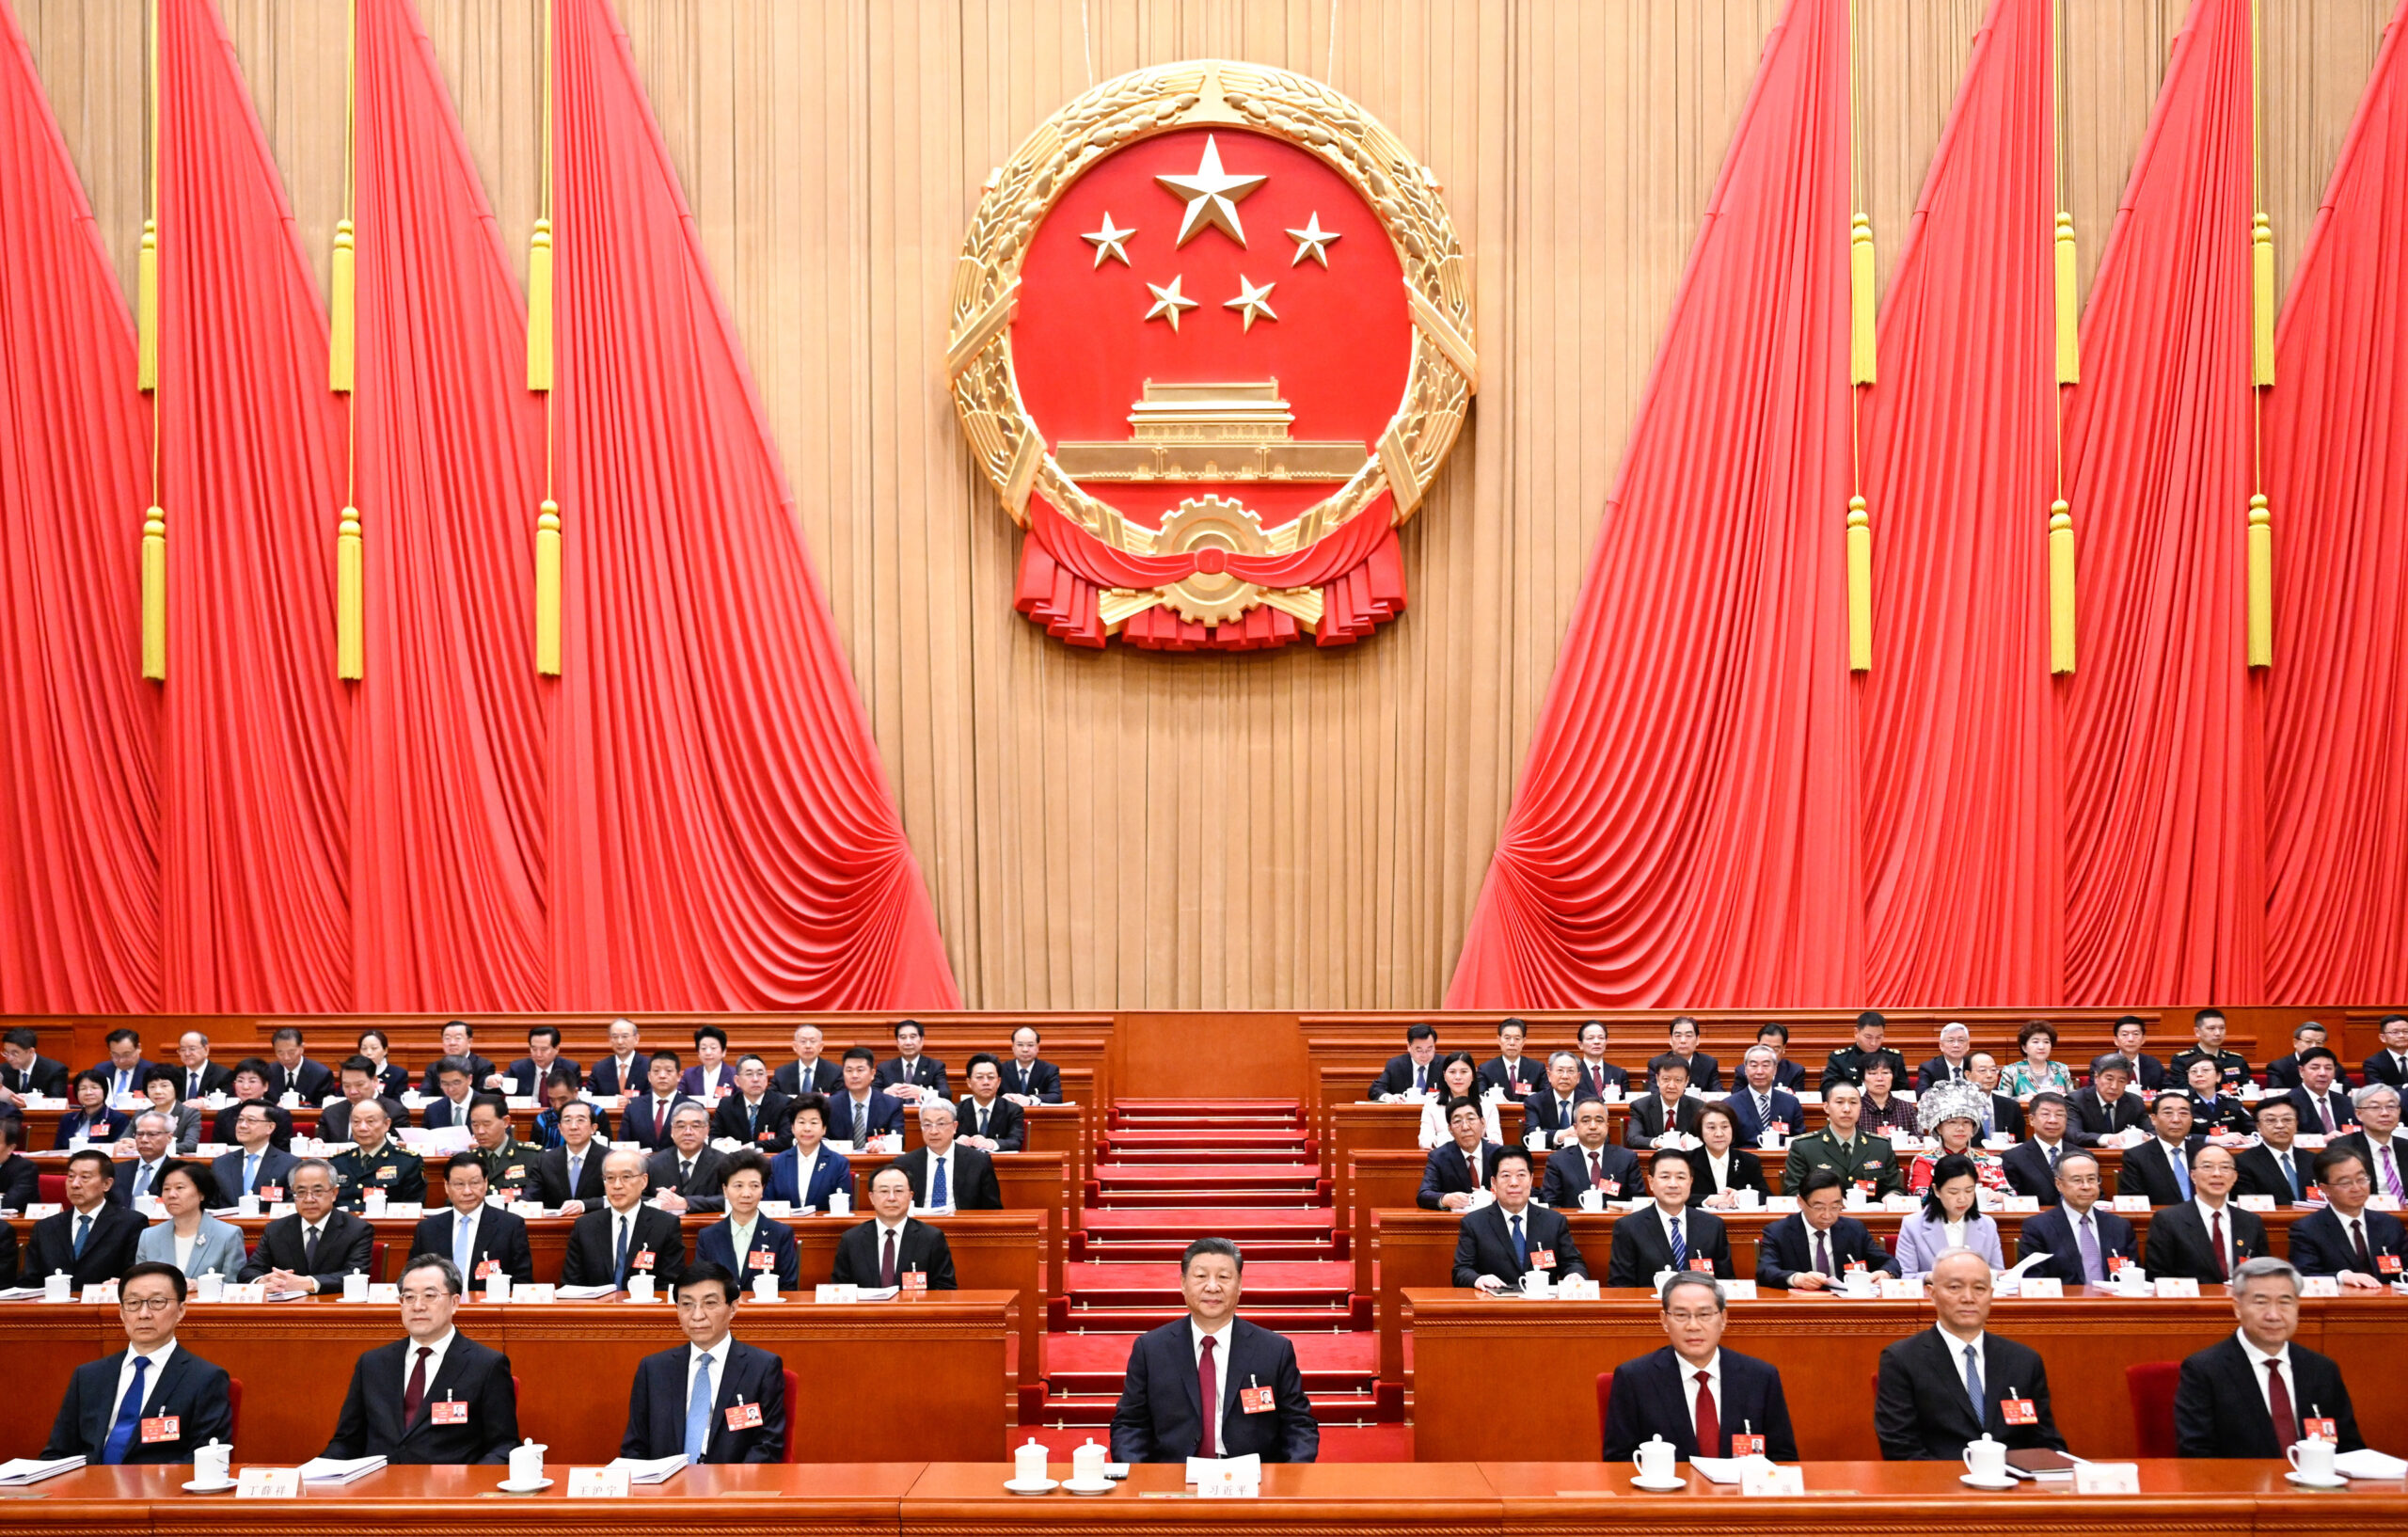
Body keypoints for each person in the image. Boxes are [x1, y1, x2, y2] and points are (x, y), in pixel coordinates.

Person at [1108, 1236, 1318, 1464]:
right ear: (1182, 1282)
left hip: (1253, 1482)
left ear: (1239, 1285)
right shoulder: (1151, 1349)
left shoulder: (1274, 1350)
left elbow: (1298, 1425)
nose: (1212, 1287)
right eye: (1200, 1276)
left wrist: (1288, 1480)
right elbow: (1130, 1424)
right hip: (1174, 1480)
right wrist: (1141, 1477)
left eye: (1224, 1277)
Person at [323, 1254, 519, 1463]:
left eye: (429, 1296)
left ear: (454, 1302)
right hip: (379, 1488)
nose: (418, 1306)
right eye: (408, 1297)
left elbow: (504, 1446)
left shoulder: (486, 1365)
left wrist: (468, 1487)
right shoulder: (372, 1363)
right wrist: (311, 1476)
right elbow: (346, 1442)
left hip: (449, 1490)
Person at [1874, 1249, 2063, 1460]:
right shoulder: (1902, 1359)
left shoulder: (2024, 1360)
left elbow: (2046, 1442)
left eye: (1979, 1288)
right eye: (1955, 1287)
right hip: (1939, 1485)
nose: (1968, 1298)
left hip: (2014, 1485)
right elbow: (1901, 1449)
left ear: (1991, 1295)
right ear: (1932, 1294)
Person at [40, 1260, 232, 1464]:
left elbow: (204, 1459)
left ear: (181, 1311)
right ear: (122, 1313)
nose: (144, 1314)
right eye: (133, 1303)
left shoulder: (205, 1378)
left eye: (157, 1302)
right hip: (90, 1489)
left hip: (158, 1491)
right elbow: (56, 1454)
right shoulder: (89, 1376)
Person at [2177, 1257, 2368, 1458]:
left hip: (2319, 1486)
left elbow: (2349, 1448)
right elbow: (2197, 1454)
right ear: (2237, 1308)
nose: (2274, 1315)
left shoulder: (2321, 1369)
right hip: (2241, 1486)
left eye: (2285, 1302)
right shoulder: (2204, 1370)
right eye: (2261, 1303)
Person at [1600, 1272, 1798, 1462]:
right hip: (1667, 1494)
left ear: (1723, 1319)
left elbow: (1783, 1458)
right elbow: (1619, 1461)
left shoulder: (1761, 1377)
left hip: (1739, 1494)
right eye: (1681, 1315)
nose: (1693, 1326)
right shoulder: (1634, 1379)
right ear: (1664, 1321)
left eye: (1704, 1314)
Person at [620, 1260, 787, 1463]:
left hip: (733, 1488)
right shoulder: (654, 1369)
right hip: (667, 1488)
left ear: (733, 1308)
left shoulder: (762, 1368)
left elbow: (767, 1446)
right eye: (687, 1304)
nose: (697, 1316)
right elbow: (635, 1447)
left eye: (710, 1303)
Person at [1450, 1147, 1586, 1291]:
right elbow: (1461, 1271)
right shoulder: (1474, 1223)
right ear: (1494, 1183)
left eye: (1521, 1175)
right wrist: (1478, 1278)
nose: (1514, 1182)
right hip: (1496, 1306)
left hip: (1543, 1306)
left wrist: (1575, 1274)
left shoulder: (1554, 1221)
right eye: (1506, 1175)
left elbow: (1572, 1262)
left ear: (1531, 1179)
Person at [238, 1159, 373, 1292]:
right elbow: (249, 1271)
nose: (309, 1199)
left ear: (334, 1193)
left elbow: (355, 1274)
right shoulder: (276, 1229)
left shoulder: (357, 1229)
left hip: (334, 1308)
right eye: (301, 1192)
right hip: (286, 1310)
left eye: (318, 1191)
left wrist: (308, 1283)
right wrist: (262, 1281)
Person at [2140, 1143, 2267, 1283]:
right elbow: (2158, 1275)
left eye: (2225, 1167)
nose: (2217, 1174)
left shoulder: (2251, 1221)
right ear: (2193, 1176)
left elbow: (2263, 1272)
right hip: (2191, 1303)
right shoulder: (2168, 1220)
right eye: (2207, 1167)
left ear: (2235, 1177)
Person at [562, 1149, 688, 1290]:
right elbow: (572, 1285)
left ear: (643, 1181)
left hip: (645, 1308)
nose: (617, 1185)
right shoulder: (585, 1226)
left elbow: (670, 1285)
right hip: (598, 1310)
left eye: (626, 1177)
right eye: (609, 1178)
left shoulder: (665, 1225)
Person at [1755, 1167, 1900, 1290]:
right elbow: (1765, 1271)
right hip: (1800, 1309)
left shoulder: (1854, 1229)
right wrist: (1797, 1278)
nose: (1827, 1215)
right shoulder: (1779, 1231)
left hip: (1847, 1308)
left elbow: (1889, 1262)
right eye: (1819, 1207)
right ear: (1800, 1202)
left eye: (1835, 1207)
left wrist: (1886, 1272)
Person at [1604, 1151, 1735, 1285]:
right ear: (1651, 1182)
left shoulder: (1712, 1225)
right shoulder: (1628, 1227)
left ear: (1691, 1182)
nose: (1673, 1184)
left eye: (1681, 1177)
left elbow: (1725, 1283)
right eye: (1665, 1177)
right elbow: (1620, 1286)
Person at [2015, 1150, 2136, 1287]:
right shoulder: (2038, 1228)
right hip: (2063, 1305)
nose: (2086, 1186)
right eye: (2077, 1180)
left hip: (2114, 1304)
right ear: (2059, 1184)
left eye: (2091, 1179)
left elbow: (2133, 1275)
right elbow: (2034, 1281)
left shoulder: (2119, 1226)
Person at [411, 1154, 535, 1288]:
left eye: (475, 1183)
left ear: (485, 1183)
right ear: (446, 1186)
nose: (467, 1191)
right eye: (459, 1184)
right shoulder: (427, 1229)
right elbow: (412, 1279)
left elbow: (522, 1283)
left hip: (488, 1307)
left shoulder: (510, 1226)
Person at [2286, 1149, 2404, 1286]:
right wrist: (2341, 1277)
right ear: (2325, 1190)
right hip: (2339, 1304)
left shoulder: (2390, 1224)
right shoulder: (2307, 1229)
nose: (2356, 1188)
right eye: (2345, 1183)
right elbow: (2305, 1276)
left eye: (2361, 1179)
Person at [25, 1149, 143, 1286]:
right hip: (54, 1306)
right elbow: (30, 1283)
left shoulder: (130, 1223)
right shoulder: (45, 1227)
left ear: (107, 1184)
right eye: (70, 1176)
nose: (75, 1184)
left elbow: (135, 1277)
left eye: (85, 1177)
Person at [832, 1166, 957, 1289]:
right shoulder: (852, 1239)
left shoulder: (931, 1238)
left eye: (899, 1191)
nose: (891, 1198)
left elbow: (945, 1289)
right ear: (871, 1197)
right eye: (884, 1191)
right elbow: (840, 1289)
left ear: (910, 1196)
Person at [695, 1150, 800, 1291]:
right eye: (738, 1185)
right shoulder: (708, 1236)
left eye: (754, 1186)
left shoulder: (781, 1234)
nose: (746, 1194)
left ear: (763, 1189)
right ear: (725, 1190)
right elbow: (701, 1285)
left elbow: (788, 1287)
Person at [1781, 1082, 1903, 1197]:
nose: (1847, 1109)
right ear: (1826, 1107)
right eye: (1839, 1102)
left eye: (1853, 1103)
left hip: (1869, 1216)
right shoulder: (1804, 1147)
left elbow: (1894, 1188)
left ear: (1861, 1107)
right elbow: (1793, 1190)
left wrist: (1891, 1197)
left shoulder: (1881, 1146)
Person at [1893, 1155, 2004, 1278]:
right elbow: (1905, 1276)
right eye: (1953, 1192)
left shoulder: (1988, 1224)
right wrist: (1932, 1277)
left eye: (1969, 1191)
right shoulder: (1912, 1225)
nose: (1962, 1199)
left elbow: (1996, 1274)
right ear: (1936, 1190)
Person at [134, 1163, 245, 1278]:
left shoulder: (228, 1235)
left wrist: (200, 1287)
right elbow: (142, 1282)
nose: (171, 1195)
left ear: (202, 1194)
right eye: (166, 1189)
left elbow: (233, 1286)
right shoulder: (149, 1236)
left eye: (179, 1188)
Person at [895, 1101, 1004, 1211]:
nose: (933, 1131)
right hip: (919, 1225)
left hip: (961, 1224)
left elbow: (992, 1209)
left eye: (941, 1124)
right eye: (927, 1125)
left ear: (954, 1127)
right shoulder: (904, 1164)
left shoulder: (978, 1161)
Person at [1905, 1084, 2009, 1197]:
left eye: (1966, 1122)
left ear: (1973, 1128)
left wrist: (1998, 1196)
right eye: (1952, 1122)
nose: (1960, 1128)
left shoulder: (1988, 1160)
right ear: (1939, 1128)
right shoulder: (1925, 1160)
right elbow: (1921, 1195)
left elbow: (2008, 1193)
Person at [327, 1099, 427, 1209]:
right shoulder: (337, 1163)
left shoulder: (408, 1161)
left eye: (370, 1121)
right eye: (356, 1122)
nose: (362, 1128)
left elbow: (411, 1208)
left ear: (386, 1124)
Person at [1539, 1101, 1640, 1207]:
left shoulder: (1626, 1158)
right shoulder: (1558, 1161)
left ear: (1607, 1126)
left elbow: (1638, 1201)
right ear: (1576, 1128)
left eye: (1599, 1120)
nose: (1593, 1126)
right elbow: (1550, 1204)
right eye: (1586, 1121)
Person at [766, 1095, 855, 1211]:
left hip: (824, 1228)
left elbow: (844, 1208)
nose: (807, 1128)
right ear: (792, 1127)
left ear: (824, 1128)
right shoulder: (776, 1163)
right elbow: (767, 1205)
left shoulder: (838, 1163)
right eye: (801, 1122)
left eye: (814, 1122)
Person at [2121, 1092, 2208, 1205]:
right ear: (2154, 1119)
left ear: (2191, 1120)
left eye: (2183, 1113)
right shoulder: (2136, 1157)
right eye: (2168, 1113)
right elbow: (2133, 1202)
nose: (2176, 1120)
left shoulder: (2205, 1153)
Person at [1417, 1098, 1502, 1211]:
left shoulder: (1499, 1154)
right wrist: (1445, 1199)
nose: (1465, 1127)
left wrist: (1499, 1197)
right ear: (1450, 1129)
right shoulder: (1439, 1157)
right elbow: (1424, 1194)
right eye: (1457, 1121)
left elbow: (1527, 1190)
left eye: (1471, 1119)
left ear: (1482, 1123)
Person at [648, 1102, 731, 1215]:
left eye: (695, 1126)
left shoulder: (724, 1162)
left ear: (707, 1130)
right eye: (681, 1126)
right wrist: (656, 1200)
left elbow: (730, 1198)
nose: (688, 1132)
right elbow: (635, 1197)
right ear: (672, 1131)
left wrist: (687, 1203)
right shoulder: (654, 1163)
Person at [2331, 1085, 2408, 1205]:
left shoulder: (2405, 1147)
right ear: (2359, 1114)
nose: (2385, 1113)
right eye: (2375, 1107)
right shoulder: (2343, 1148)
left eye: (2391, 1106)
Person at [1684, 1103, 1769, 1209]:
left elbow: (1766, 1196)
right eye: (1711, 1127)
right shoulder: (1686, 1161)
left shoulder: (1749, 1161)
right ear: (1700, 1131)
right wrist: (1708, 1200)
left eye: (1725, 1127)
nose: (1719, 1134)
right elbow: (1676, 1196)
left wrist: (1742, 1197)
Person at [532, 1098, 609, 1212]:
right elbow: (532, 1195)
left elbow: (624, 1197)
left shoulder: (611, 1159)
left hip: (598, 1225)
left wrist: (584, 1205)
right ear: (560, 1128)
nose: (573, 1127)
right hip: (556, 1226)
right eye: (567, 1120)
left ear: (593, 1128)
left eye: (580, 1120)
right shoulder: (545, 1160)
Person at [2232, 1100, 2309, 1206]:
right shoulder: (2243, 1162)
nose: (2280, 1125)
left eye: (2287, 1119)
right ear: (2258, 1126)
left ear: (2296, 1124)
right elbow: (2249, 1205)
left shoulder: (2312, 1160)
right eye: (2271, 1120)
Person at [710, 1054, 793, 1153]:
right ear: (737, 1081)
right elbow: (713, 1138)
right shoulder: (727, 1105)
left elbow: (786, 1140)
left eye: (760, 1074)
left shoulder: (783, 1103)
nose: (755, 1079)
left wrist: (753, 1146)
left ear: (766, 1079)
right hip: (734, 1163)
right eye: (749, 1074)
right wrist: (726, 1144)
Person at [2001, 1091, 2073, 1203]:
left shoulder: (2081, 1155)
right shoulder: (2013, 1158)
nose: (2053, 1120)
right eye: (2045, 1114)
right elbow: (2013, 1201)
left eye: (2059, 1115)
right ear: (2031, 1120)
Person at [1521, 1052, 1603, 1150]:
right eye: (1560, 1070)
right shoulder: (1534, 1102)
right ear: (1549, 1075)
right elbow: (1531, 1132)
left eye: (1570, 1071)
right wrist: (1561, 1135)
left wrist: (1583, 1135)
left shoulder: (1592, 1102)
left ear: (1578, 1077)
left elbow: (1604, 1136)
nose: (1565, 1076)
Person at [1416, 1053, 1499, 1148]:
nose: (1458, 1077)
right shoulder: (1432, 1104)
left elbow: (1496, 1141)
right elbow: (1424, 1141)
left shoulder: (1488, 1105)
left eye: (1464, 1072)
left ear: (1473, 1075)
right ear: (1444, 1076)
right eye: (1452, 1072)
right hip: (1444, 1158)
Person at [320, 1056, 410, 1143]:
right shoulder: (330, 1113)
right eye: (347, 1086)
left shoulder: (396, 1112)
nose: (353, 1091)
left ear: (375, 1080)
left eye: (359, 1085)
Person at [1726, 1046, 1803, 1147]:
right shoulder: (1729, 1105)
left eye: (1765, 1065)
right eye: (1754, 1065)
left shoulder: (1791, 1103)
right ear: (1745, 1069)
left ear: (1775, 1069)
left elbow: (1799, 1141)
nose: (1759, 1071)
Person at [2067, 1056, 2151, 1148]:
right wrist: (2110, 1139)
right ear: (2096, 1078)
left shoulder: (2135, 1102)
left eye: (2121, 1081)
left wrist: (2145, 1136)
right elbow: (2073, 1135)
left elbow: (2152, 1131)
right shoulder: (2076, 1100)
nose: (2114, 1086)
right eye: (2109, 1079)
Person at [1622, 1055, 1703, 1149]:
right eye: (1666, 1079)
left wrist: (1692, 1141)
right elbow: (1633, 1138)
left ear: (1686, 1081)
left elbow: (1706, 1138)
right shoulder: (1640, 1106)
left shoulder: (1698, 1107)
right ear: (1657, 1079)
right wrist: (1656, 1142)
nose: (1671, 1086)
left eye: (1678, 1080)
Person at [467, 1094, 539, 1197]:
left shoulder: (532, 1157)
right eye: (475, 1125)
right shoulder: (468, 1160)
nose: (480, 1131)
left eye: (487, 1124)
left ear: (506, 1122)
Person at [208, 1060, 293, 1148]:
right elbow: (217, 1150)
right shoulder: (224, 1115)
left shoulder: (280, 1115)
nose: (245, 1087)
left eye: (252, 1081)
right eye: (240, 1081)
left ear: (265, 1086)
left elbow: (283, 1153)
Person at [832, 1046, 905, 1147]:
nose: (854, 1075)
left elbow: (899, 1138)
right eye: (849, 1070)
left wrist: (883, 1146)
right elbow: (823, 1140)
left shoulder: (891, 1104)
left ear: (872, 1074)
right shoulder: (830, 1105)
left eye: (860, 1070)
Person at [1820, 1011, 1908, 1095]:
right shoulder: (1839, 1059)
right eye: (1868, 1037)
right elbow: (1827, 1091)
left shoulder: (1894, 1057)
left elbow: (1904, 1091)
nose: (1873, 1043)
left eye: (1878, 1037)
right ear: (1856, 1033)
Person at [623, 1051, 694, 1151]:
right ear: (649, 1076)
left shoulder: (692, 1107)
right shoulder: (633, 1107)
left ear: (679, 1076)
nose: (662, 1076)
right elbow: (624, 1144)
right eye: (656, 1071)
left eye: (668, 1071)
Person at [2168, 1007, 2252, 1093]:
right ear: (2197, 1032)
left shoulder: (2235, 1060)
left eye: (2222, 1028)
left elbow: (2248, 1088)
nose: (2218, 1033)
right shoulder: (2182, 1060)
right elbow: (2182, 1089)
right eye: (2211, 1029)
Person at [110, 1110, 180, 1209]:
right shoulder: (117, 1170)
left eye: (152, 1134)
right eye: (140, 1134)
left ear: (169, 1138)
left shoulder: (180, 1172)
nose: (144, 1140)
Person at [2284, 1047, 2358, 1138]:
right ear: (2301, 1071)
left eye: (2328, 1068)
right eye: (2315, 1068)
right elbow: (2285, 1135)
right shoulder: (2287, 1103)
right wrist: (2322, 1140)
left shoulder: (2348, 1103)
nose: (2322, 1073)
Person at [956, 1054, 1025, 1151]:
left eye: (991, 1077)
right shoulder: (955, 1111)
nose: (986, 1082)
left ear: (998, 1082)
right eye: (979, 1077)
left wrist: (991, 1143)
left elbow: (1015, 1142)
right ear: (969, 1082)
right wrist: (954, 1143)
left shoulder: (1013, 1110)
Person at [876, 1020, 948, 1105]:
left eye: (913, 1037)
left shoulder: (936, 1066)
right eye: (903, 1037)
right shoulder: (884, 1068)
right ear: (897, 1042)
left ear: (921, 1040)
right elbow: (871, 1092)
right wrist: (885, 1091)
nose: (908, 1042)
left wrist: (924, 1093)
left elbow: (946, 1095)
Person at [532, 1067, 608, 1149]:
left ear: (575, 1092)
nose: (557, 1105)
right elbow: (535, 1154)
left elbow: (607, 1152)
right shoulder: (543, 1120)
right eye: (552, 1100)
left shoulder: (597, 1113)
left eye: (562, 1099)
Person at [498, 1024, 578, 1100]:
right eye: (534, 1049)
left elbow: (575, 1099)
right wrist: (493, 1082)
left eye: (544, 1049)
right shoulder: (517, 1068)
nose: (538, 1054)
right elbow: (499, 1090)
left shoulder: (570, 1069)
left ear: (557, 1049)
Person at [55, 1069, 132, 1148]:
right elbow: (57, 1151)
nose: (88, 1092)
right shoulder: (68, 1119)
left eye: (94, 1088)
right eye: (83, 1088)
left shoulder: (118, 1119)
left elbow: (119, 1150)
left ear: (104, 1091)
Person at [2264, 1022, 2345, 1093]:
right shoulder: (2278, 1067)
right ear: (2295, 1043)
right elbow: (2276, 1093)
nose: (2314, 1046)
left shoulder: (2332, 1067)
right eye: (2308, 1041)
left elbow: (2350, 1090)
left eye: (2319, 1042)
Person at [2000, 1021, 2073, 1099]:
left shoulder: (2061, 1069)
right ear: (2024, 1047)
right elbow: (2002, 1102)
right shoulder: (2011, 1071)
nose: (2041, 1047)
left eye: (2046, 1042)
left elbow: (2073, 1100)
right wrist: (2019, 1099)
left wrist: (2065, 1097)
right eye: (2035, 1042)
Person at [1369, 1024, 1442, 1101]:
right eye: (1419, 1050)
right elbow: (1375, 1089)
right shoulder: (1395, 1065)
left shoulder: (1445, 1065)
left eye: (1429, 1049)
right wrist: (1388, 1097)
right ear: (1409, 1047)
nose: (1424, 1055)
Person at [2184, 1056, 2253, 1135]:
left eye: (2205, 1070)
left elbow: (2253, 1130)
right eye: (2193, 1071)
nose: (2199, 1074)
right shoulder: (2183, 1104)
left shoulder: (2232, 1103)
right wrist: (2209, 1140)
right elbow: (2177, 1136)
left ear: (2218, 1076)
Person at [264, 1027, 335, 1105]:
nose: (286, 1058)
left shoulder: (321, 1074)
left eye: (291, 1052)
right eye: (280, 1053)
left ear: (302, 1048)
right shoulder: (267, 1072)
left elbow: (324, 1107)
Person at [772, 1022, 844, 1098]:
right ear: (795, 1046)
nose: (808, 1046)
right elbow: (773, 1100)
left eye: (813, 1041)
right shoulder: (782, 1074)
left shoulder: (835, 1073)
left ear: (821, 1046)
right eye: (803, 1041)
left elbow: (839, 1101)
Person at [0, 1025, 70, 1101]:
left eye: (15, 1053)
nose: (9, 1058)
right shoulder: (2, 1070)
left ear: (31, 1052)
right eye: (6, 1052)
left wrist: (30, 1100)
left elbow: (56, 1102)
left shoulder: (55, 1070)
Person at [87, 1029, 158, 1103]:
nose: (121, 1060)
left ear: (138, 1048)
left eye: (126, 1055)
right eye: (115, 1055)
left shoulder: (152, 1071)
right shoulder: (101, 1070)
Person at [1965, 1054, 2026, 1139]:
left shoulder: (2011, 1106)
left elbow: (2020, 1144)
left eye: (1993, 1070)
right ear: (1968, 1075)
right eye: (1982, 1070)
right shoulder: (1959, 1105)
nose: (1989, 1075)